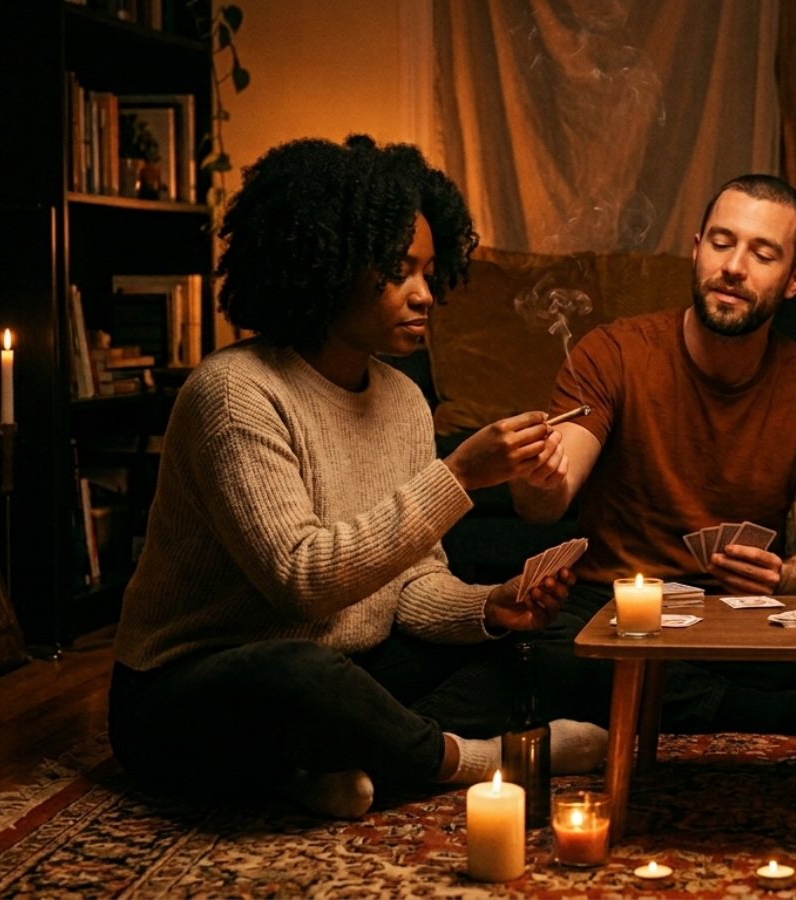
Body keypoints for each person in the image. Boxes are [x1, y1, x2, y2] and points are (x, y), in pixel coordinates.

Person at [109, 135, 603, 821]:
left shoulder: (402, 398)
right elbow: (304, 583)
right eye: (401, 270)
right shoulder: (234, 394)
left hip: (347, 666)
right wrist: (458, 474)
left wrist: (490, 607)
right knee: (305, 678)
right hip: (201, 686)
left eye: (431, 272)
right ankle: (482, 759)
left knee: (551, 655)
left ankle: (325, 768)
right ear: (328, 261)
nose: (425, 295)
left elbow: (412, 587)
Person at [510, 174, 796, 739]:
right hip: (616, 609)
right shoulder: (613, 353)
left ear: (795, 280)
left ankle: (664, 695)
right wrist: (537, 475)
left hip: (737, 617)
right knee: (550, 657)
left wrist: (781, 575)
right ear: (696, 247)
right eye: (722, 242)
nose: (733, 266)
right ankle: (753, 710)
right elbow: (546, 500)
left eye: (763, 253)